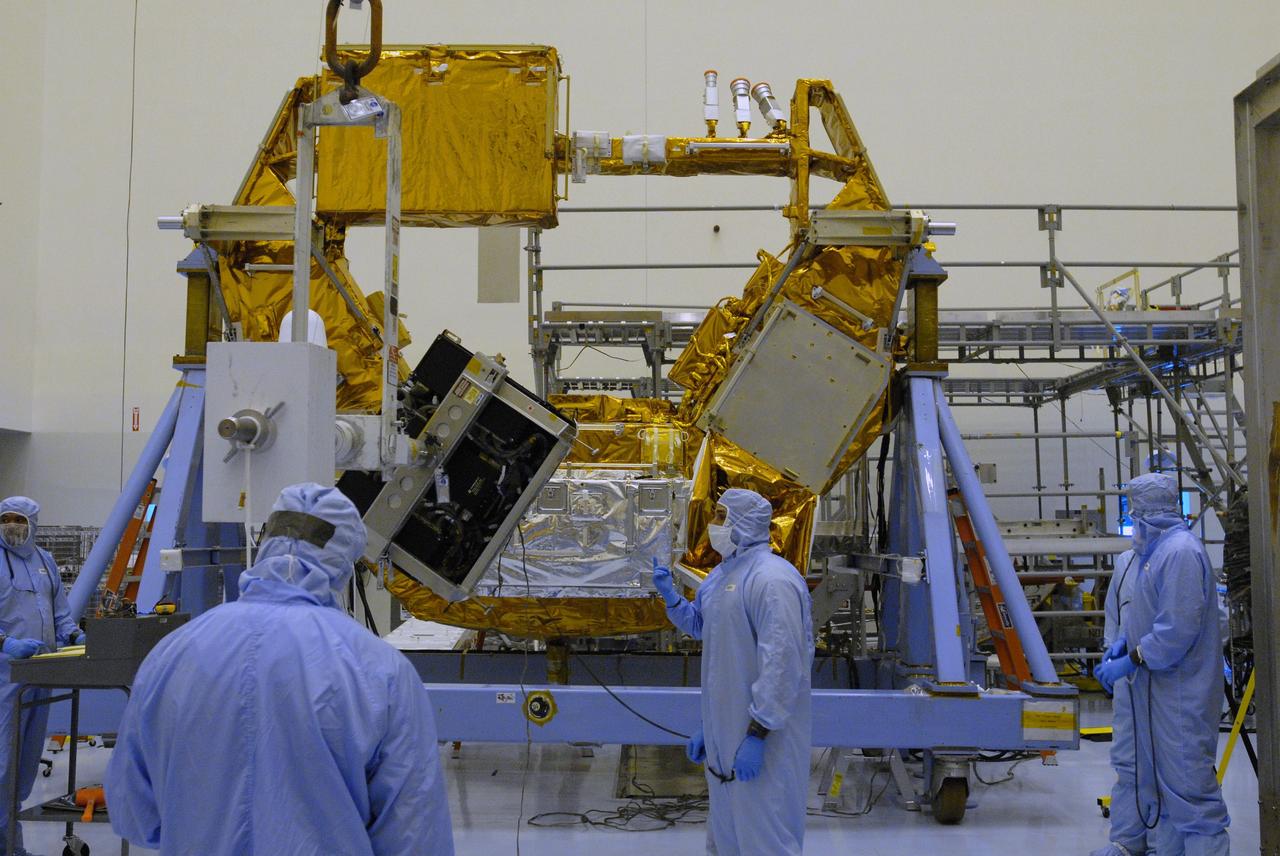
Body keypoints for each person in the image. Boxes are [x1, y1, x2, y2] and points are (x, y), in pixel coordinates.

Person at [105, 483, 454, 855]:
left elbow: (133, 812)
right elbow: (414, 835)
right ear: (346, 557)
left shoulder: (173, 653)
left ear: (266, 540)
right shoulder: (380, 671)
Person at [653, 488, 813, 855]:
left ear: (745, 523)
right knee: (726, 840)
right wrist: (671, 598)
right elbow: (704, 625)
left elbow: (783, 665)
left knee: (765, 838)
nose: (714, 525)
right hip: (727, 738)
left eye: (722, 517)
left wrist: (758, 733)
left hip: (764, 742)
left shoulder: (773, 581)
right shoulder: (724, 574)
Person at [1095, 473, 1230, 856]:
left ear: (1149, 512)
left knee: (1191, 794)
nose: (1132, 519)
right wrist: (1123, 641)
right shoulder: (1156, 554)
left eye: (1135, 511)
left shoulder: (1180, 552)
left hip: (1181, 697)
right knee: (1166, 793)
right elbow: (1148, 614)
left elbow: (1176, 629)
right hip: (1161, 695)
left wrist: (1133, 659)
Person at [0, 496, 84, 856]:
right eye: (5, 519)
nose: (11, 526)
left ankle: (11, 845)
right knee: (2, 763)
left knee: (25, 764)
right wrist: (7, 643)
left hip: (41, 675)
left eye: (18, 519)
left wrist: (75, 634)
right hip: (5, 678)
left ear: (33, 523)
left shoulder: (44, 562)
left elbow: (60, 611)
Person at [1092, 546, 1151, 856]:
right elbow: (1115, 613)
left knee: (1168, 766)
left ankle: (1164, 845)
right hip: (1130, 682)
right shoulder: (1126, 562)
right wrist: (1113, 648)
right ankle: (1127, 841)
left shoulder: (1180, 556)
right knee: (1127, 760)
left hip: (1167, 685)